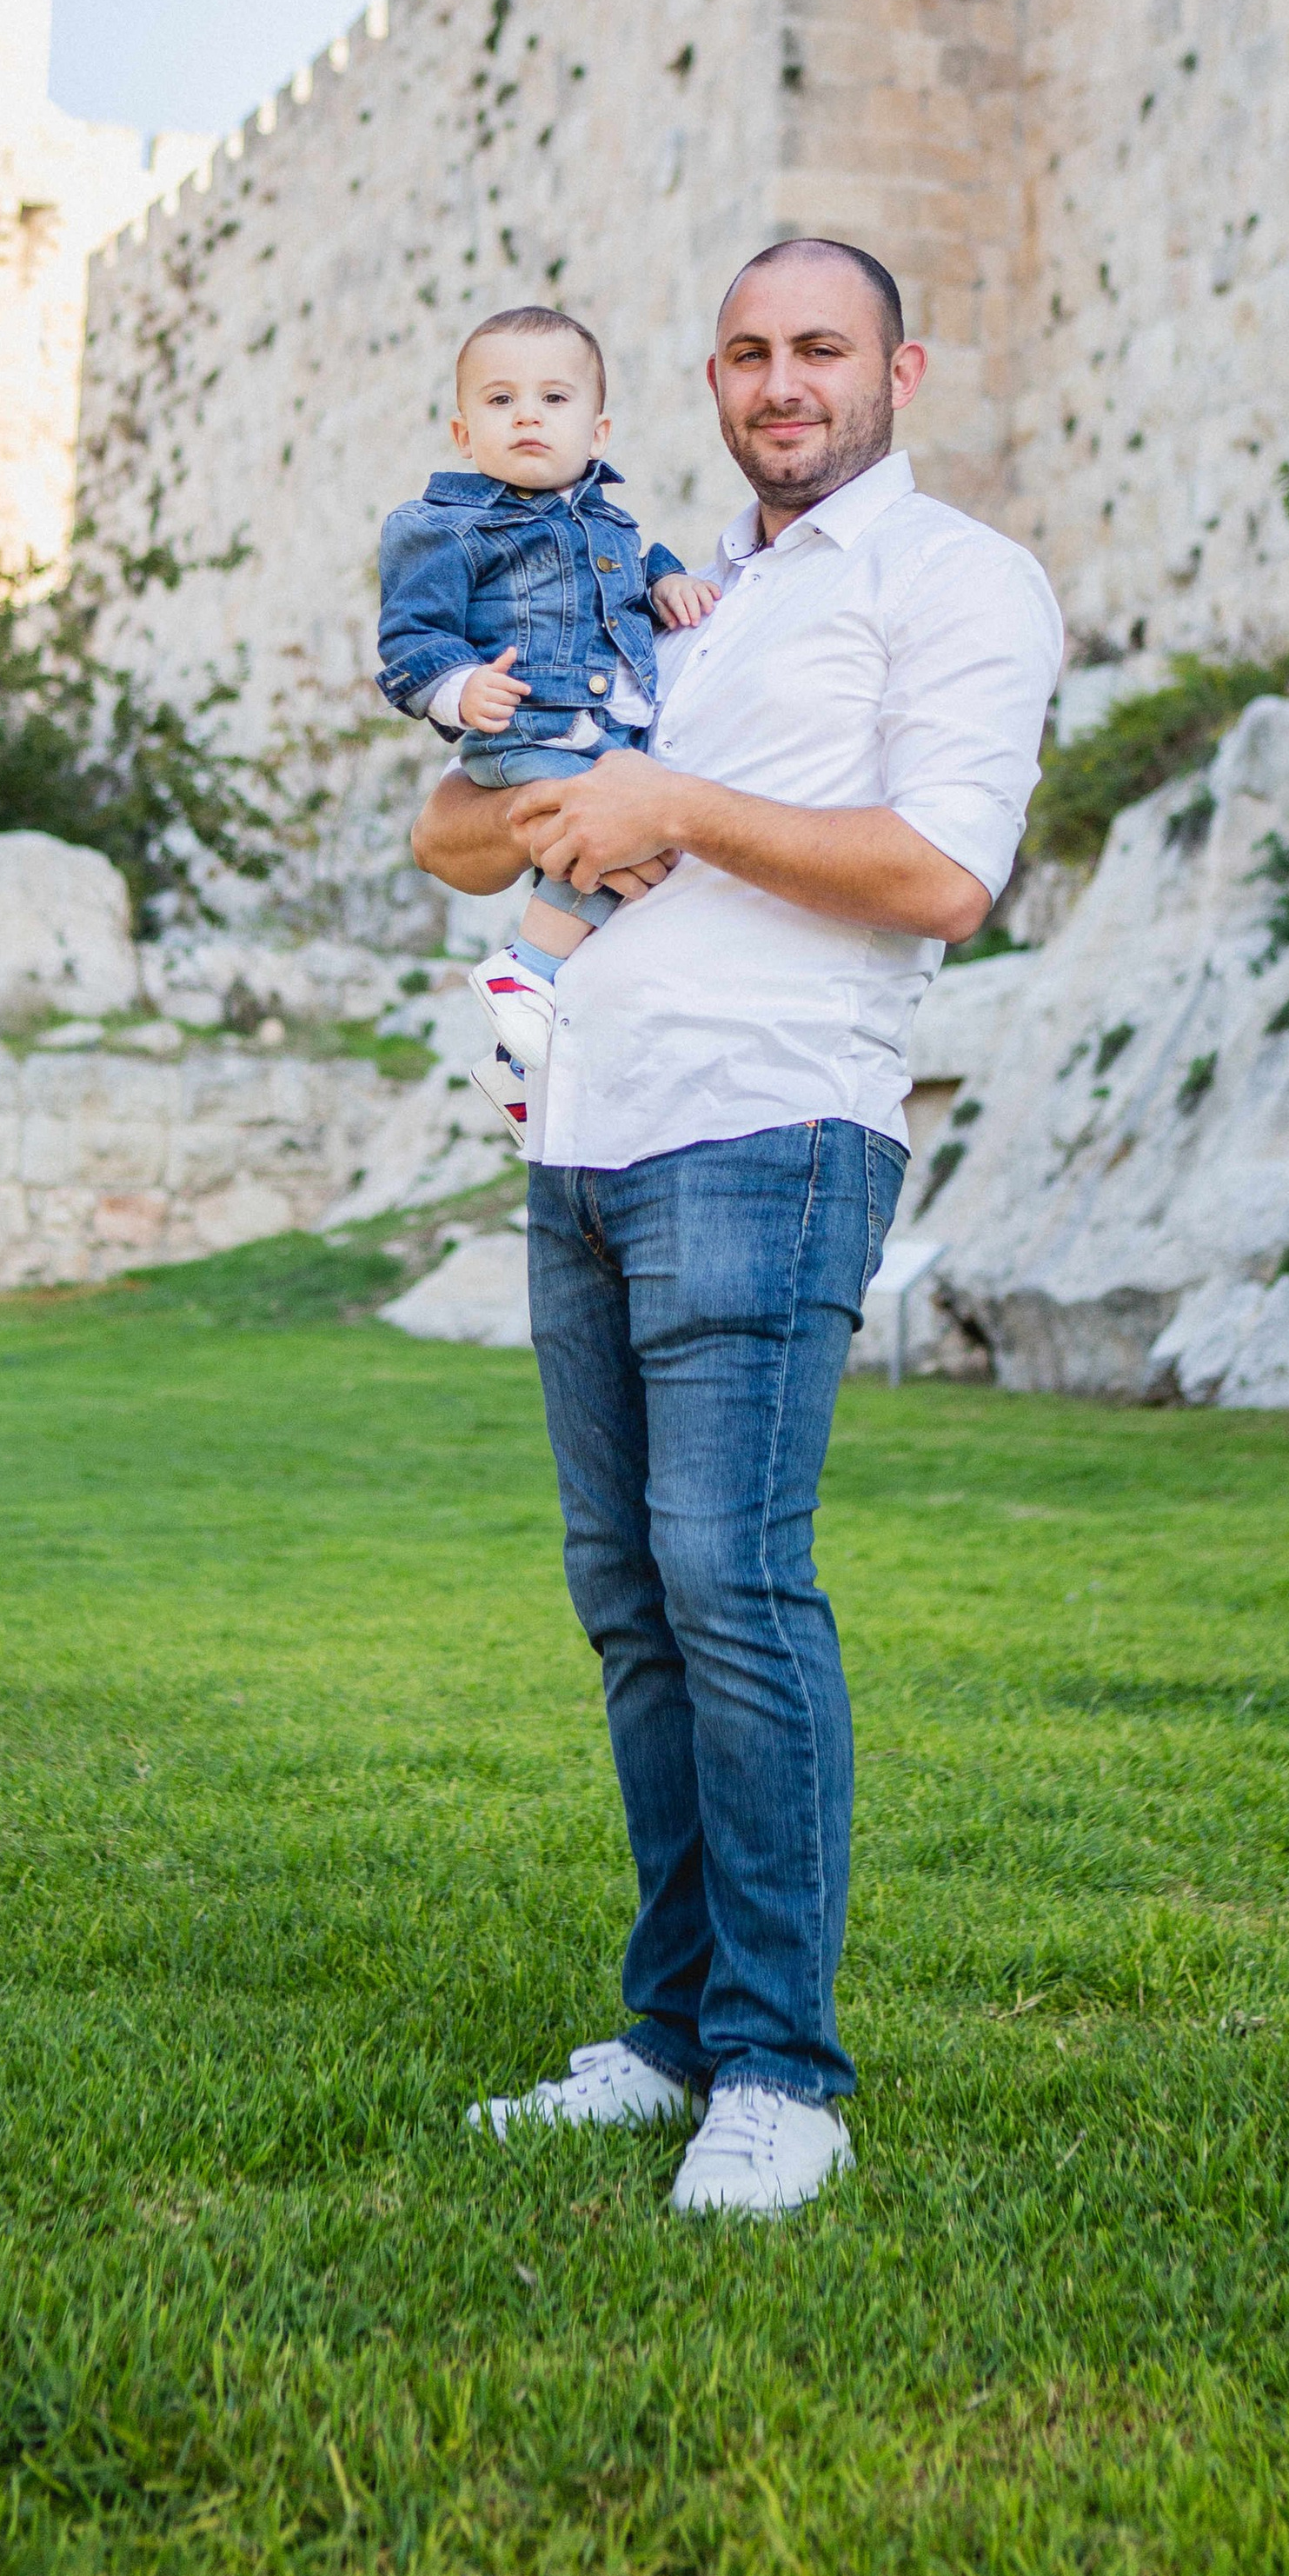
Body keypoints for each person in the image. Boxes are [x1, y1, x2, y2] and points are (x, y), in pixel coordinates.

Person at [411, 236, 1064, 2215]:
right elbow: (456, 832)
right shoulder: (651, 588)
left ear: (899, 370)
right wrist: (551, 778)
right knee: (627, 1596)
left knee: (729, 1577)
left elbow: (940, 871)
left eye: (820, 351)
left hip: (768, 1131)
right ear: (702, 382)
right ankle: (673, 2034)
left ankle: (780, 2072)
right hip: (586, 1131)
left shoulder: (951, 584)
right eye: (745, 353)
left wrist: (670, 804)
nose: (780, 383)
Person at [375, 305, 716, 1141]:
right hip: (526, 733)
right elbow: (410, 638)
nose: (527, 415)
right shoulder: (445, 528)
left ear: (597, 431)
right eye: (500, 401)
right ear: (463, 432)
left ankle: (516, 1064)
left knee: (626, 857)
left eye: (554, 399)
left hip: (596, 735)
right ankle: (523, 972)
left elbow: (629, 577)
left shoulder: (606, 520)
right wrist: (457, 691)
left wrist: (668, 579)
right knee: (604, 833)